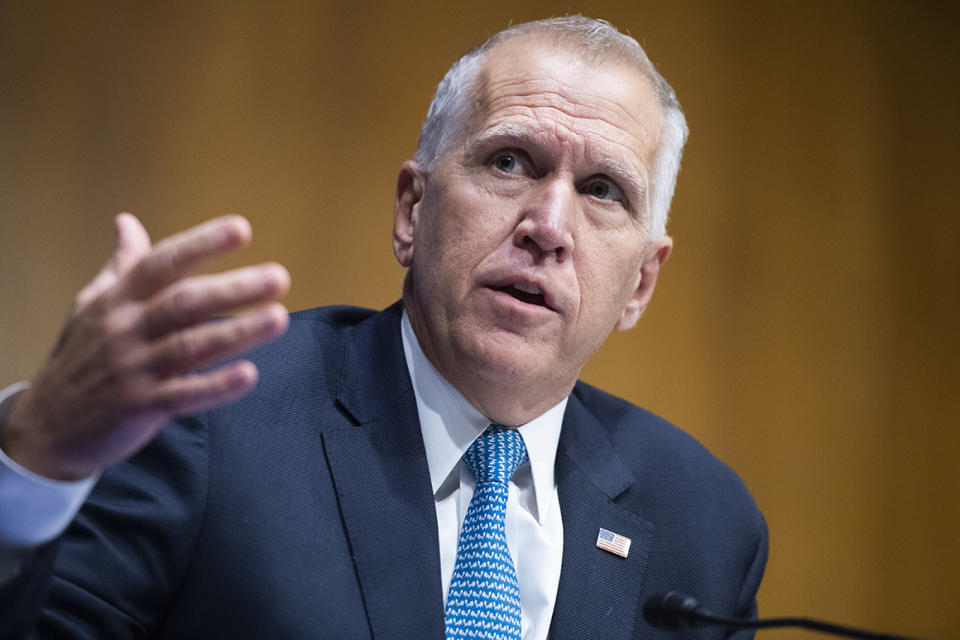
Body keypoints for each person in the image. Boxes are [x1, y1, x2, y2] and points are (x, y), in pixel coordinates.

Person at [0, 16, 767, 640]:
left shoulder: (702, 525)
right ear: (412, 211)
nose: (549, 225)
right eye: (509, 162)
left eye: (602, 189)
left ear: (640, 283)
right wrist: (34, 463)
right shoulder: (211, 420)